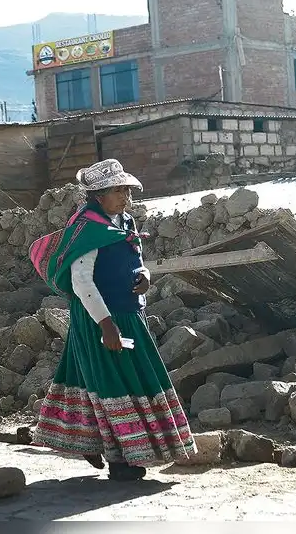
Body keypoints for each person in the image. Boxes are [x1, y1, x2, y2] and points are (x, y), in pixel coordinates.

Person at [31, 159, 197, 481]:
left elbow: (136, 259)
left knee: (106, 377)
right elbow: (81, 281)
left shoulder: (125, 221)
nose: (125, 197)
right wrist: (106, 324)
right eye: (117, 191)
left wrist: (145, 276)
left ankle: (93, 442)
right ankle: (121, 459)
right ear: (98, 196)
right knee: (112, 382)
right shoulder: (87, 229)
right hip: (100, 318)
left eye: (127, 190)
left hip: (130, 313)